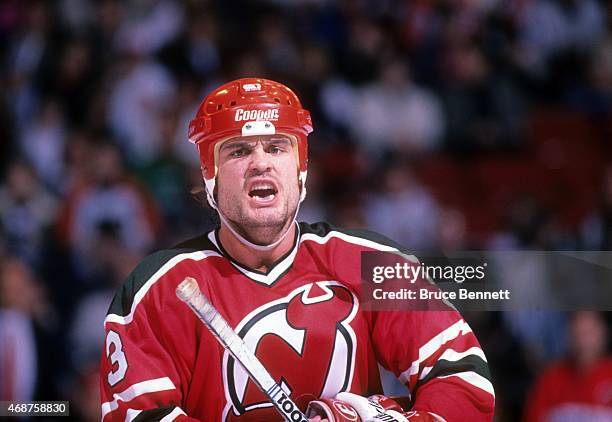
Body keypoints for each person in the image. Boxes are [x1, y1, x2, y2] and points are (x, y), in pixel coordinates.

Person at [99, 78, 495, 421]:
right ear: (209, 174)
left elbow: (462, 377)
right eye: (238, 151)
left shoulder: (367, 261)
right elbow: (139, 416)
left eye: (276, 147)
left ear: (301, 168)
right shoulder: (157, 291)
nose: (260, 164)